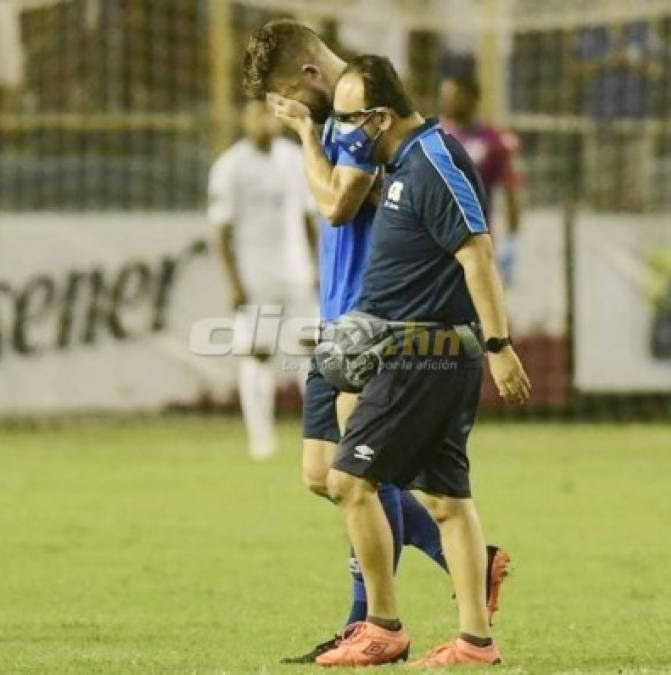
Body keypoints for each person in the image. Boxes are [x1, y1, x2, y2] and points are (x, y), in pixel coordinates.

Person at [242, 20, 511, 663]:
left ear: (308, 77)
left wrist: (307, 134)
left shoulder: (360, 124)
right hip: (347, 319)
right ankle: (462, 574)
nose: (286, 104)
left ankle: (375, 621)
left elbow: (337, 205)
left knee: (356, 477)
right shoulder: (357, 118)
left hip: (381, 325)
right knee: (330, 475)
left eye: (285, 91)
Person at [313, 55, 531, 667]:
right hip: (423, 353)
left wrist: (500, 346)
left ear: (381, 117)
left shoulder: (435, 161)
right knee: (446, 501)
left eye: (349, 120)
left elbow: (477, 255)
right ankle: (475, 642)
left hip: (421, 353)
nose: (343, 133)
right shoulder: (405, 162)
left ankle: (382, 627)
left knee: (348, 481)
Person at [208, 99, 318, 460]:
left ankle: (318, 433)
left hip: (297, 272)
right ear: (245, 119)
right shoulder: (230, 166)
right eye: (256, 113)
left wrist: (318, 267)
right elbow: (221, 231)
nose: (265, 120)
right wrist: (233, 281)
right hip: (256, 277)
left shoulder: (294, 157)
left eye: (269, 113)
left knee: (311, 353)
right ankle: (261, 438)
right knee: (258, 355)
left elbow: (307, 219)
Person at [438, 74, 524, 286]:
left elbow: (511, 191)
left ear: (472, 98)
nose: (446, 102)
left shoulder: (494, 142)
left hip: (476, 241)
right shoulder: (435, 136)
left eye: (453, 96)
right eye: (444, 96)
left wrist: (513, 240)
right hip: (436, 241)